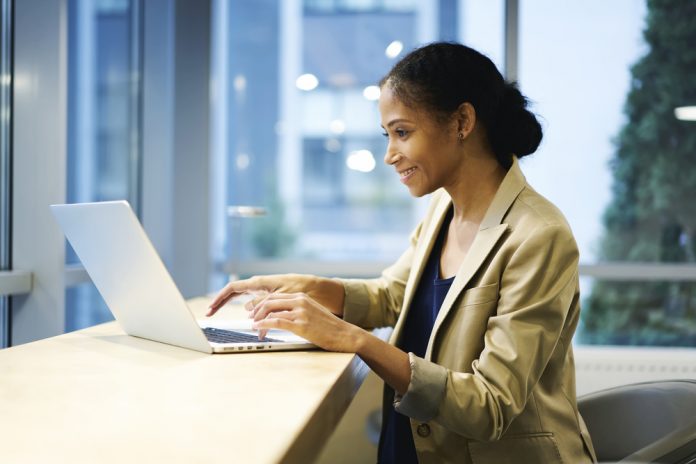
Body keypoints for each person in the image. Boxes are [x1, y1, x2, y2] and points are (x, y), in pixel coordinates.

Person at [207, 42, 597, 464]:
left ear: (462, 121)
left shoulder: (539, 235)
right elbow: (395, 295)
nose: (390, 155)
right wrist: (314, 288)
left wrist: (353, 340)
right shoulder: (443, 209)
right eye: (388, 135)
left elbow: (490, 405)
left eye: (402, 132)